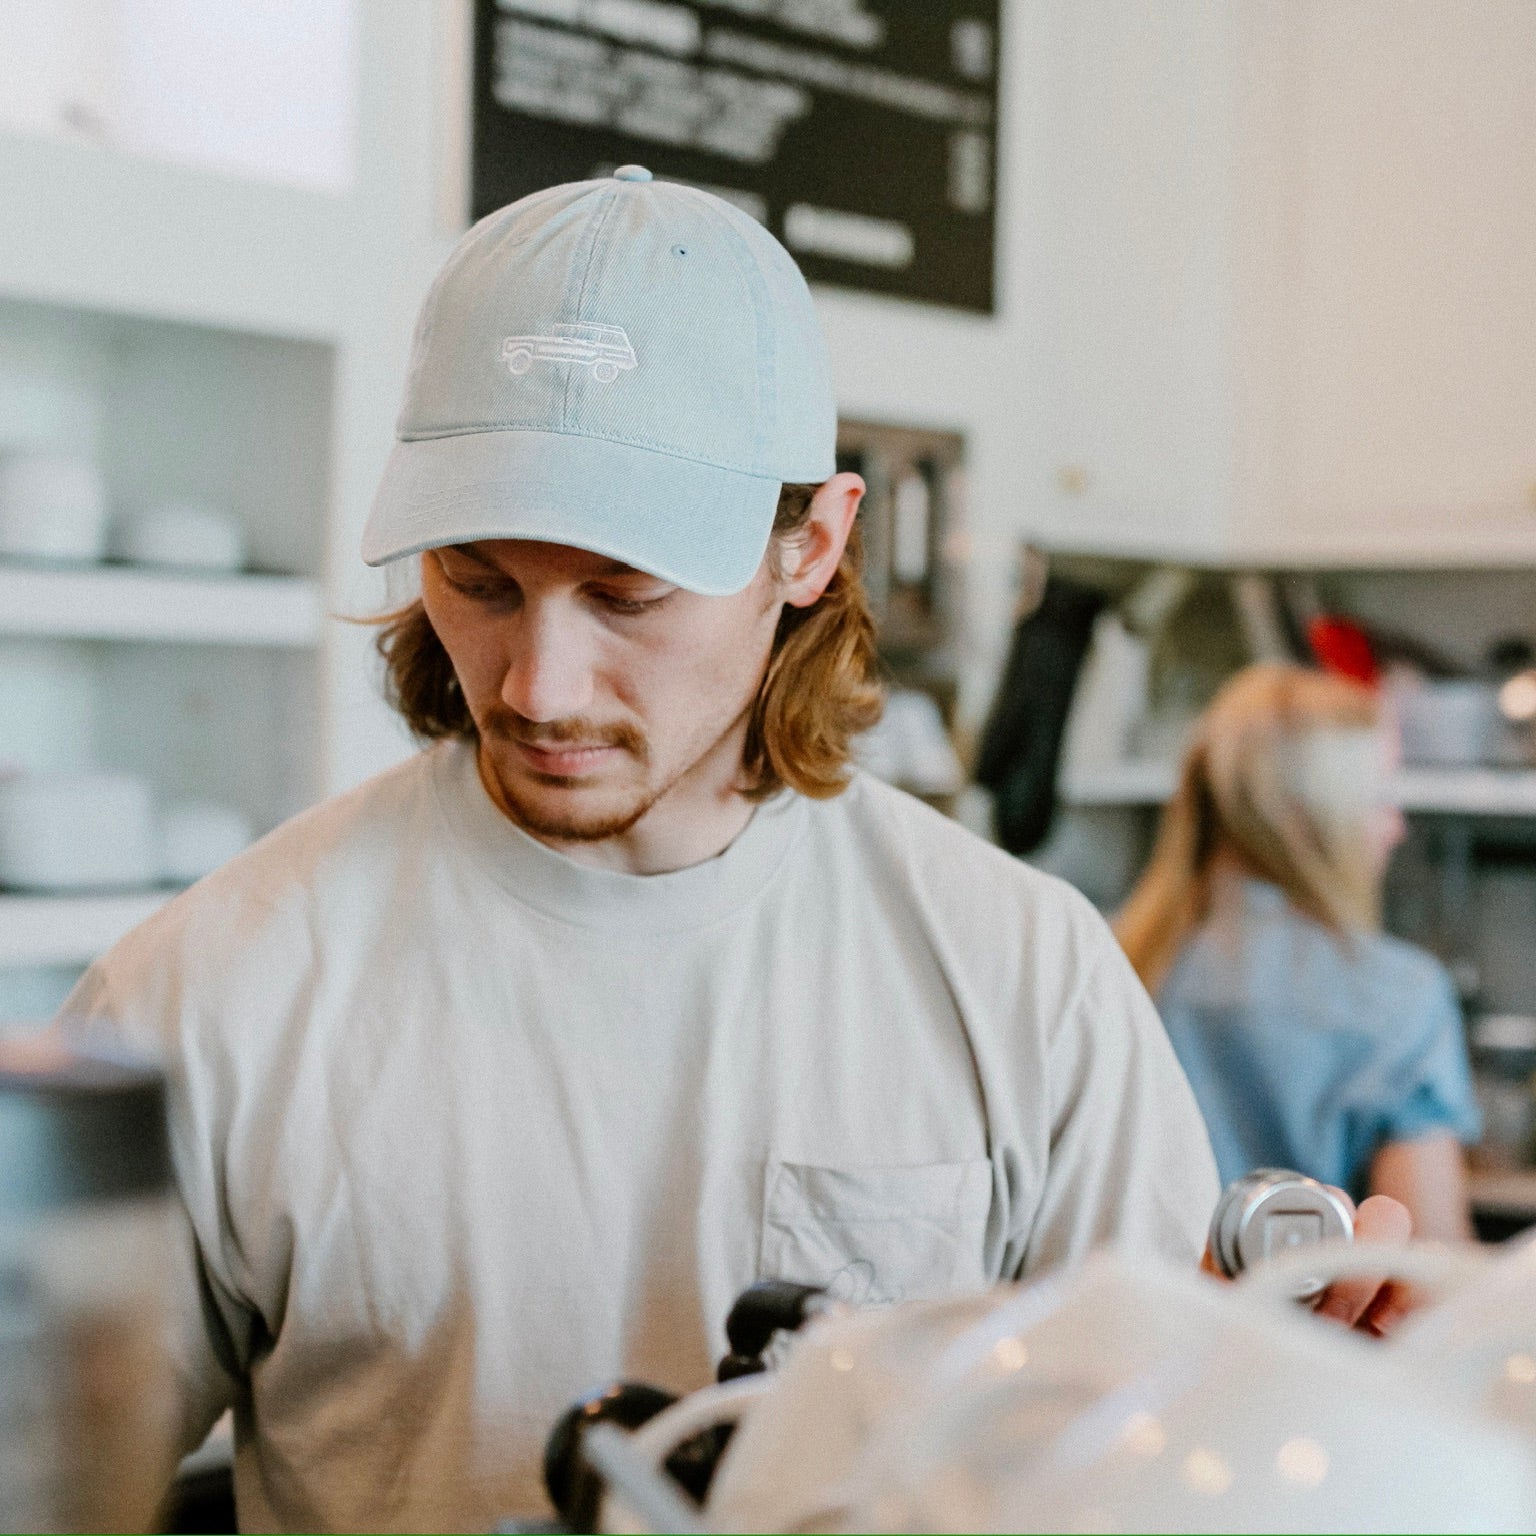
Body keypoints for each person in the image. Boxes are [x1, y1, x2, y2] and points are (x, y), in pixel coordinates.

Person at [58, 173, 1384, 1532]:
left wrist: (1310, 1402)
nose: (539, 684)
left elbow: (1151, 1481)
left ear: (809, 545)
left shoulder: (1022, 976)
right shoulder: (209, 993)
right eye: (479, 580)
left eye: (628, 593)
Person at [1117, 663, 1479, 1243]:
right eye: (1381, 796)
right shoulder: (1400, 994)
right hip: (1312, 1328)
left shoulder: (1112, 960)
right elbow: (1427, 1267)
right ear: (1317, 814)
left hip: (1130, 1326)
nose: (1397, 827)